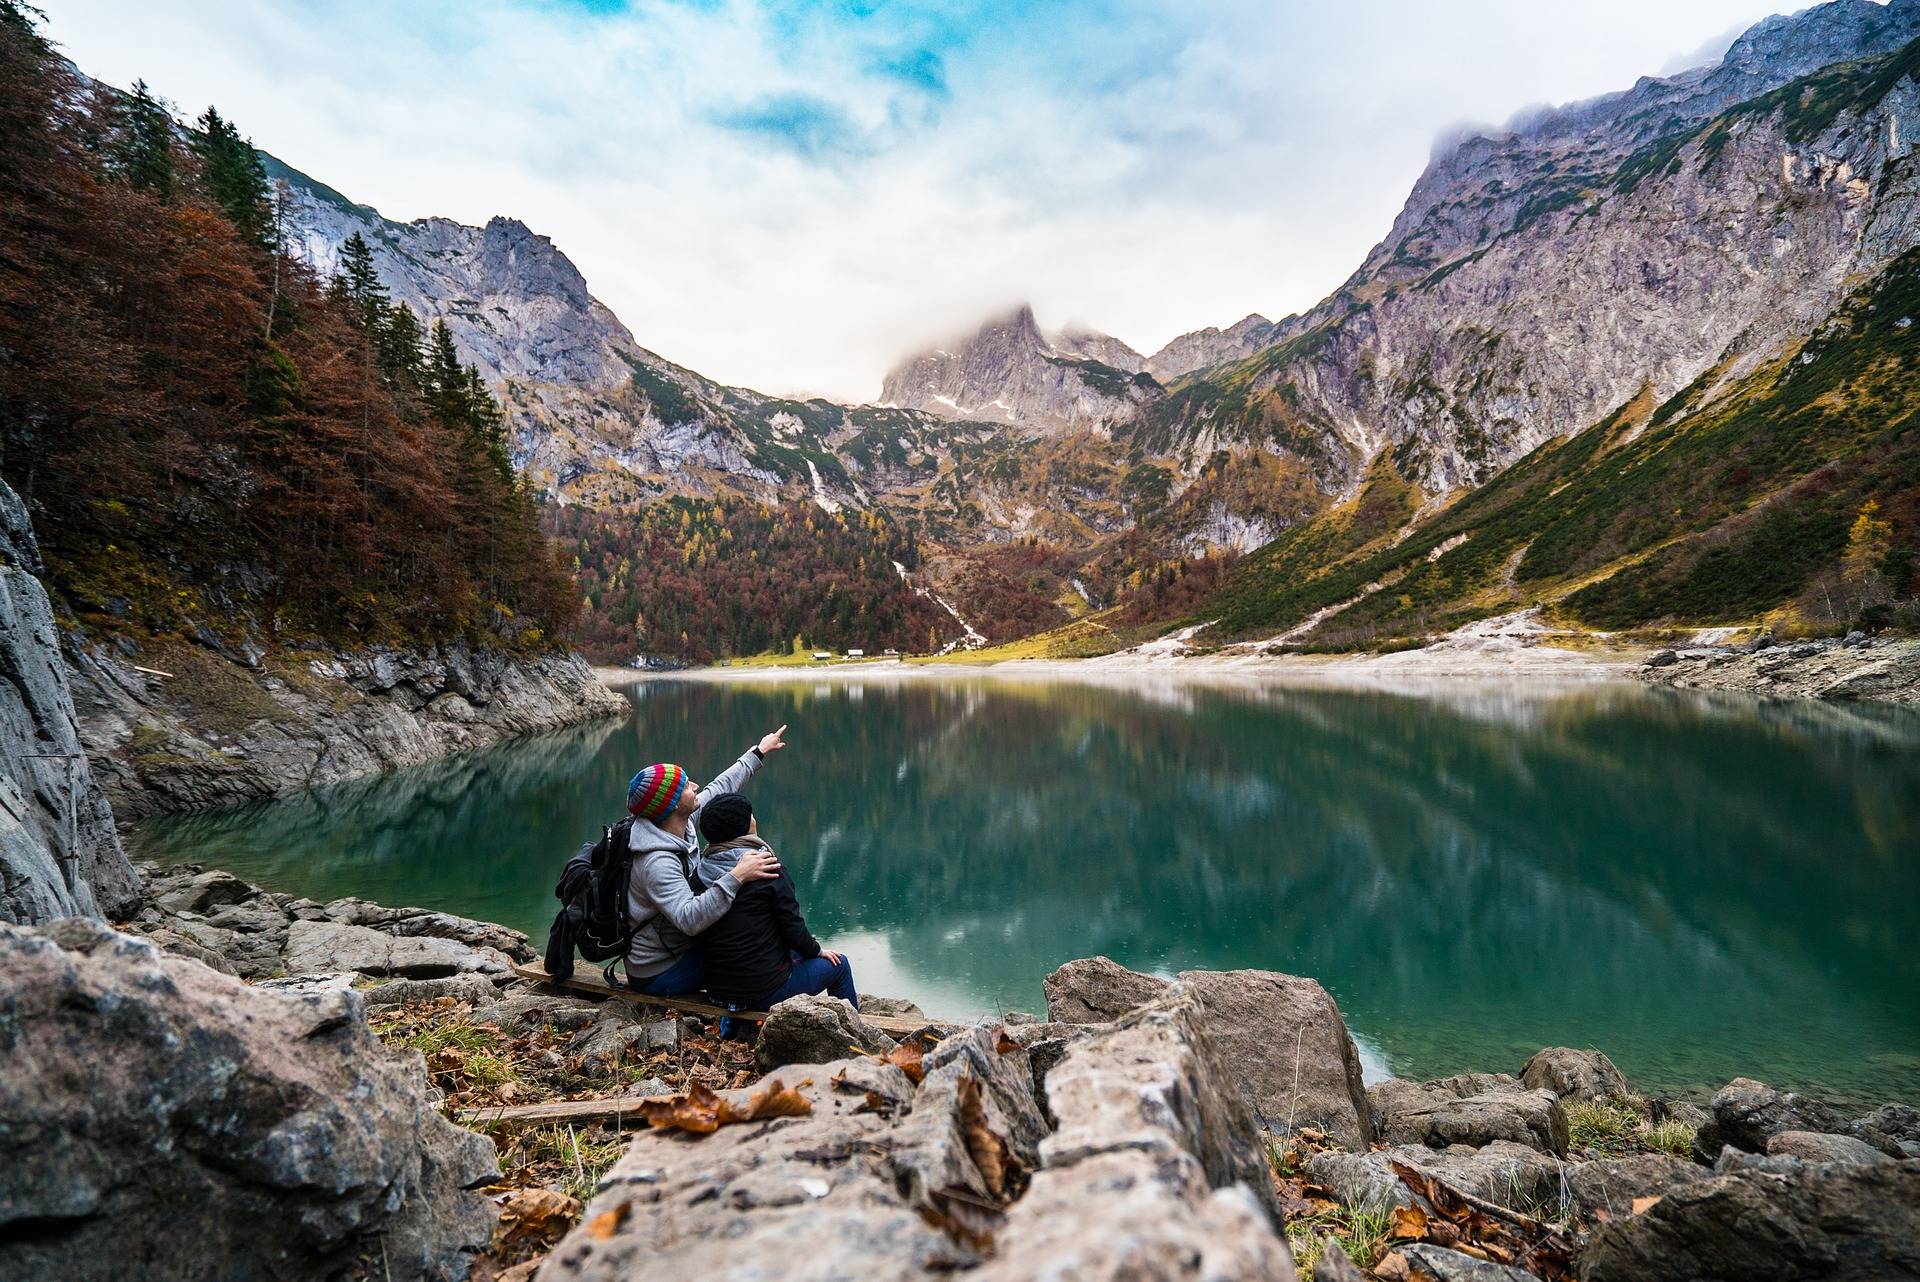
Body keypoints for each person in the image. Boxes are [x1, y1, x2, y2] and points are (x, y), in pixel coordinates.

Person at [621, 725, 788, 996]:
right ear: (673, 804)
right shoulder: (656, 862)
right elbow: (689, 918)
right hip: (660, 970)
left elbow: (720, 787)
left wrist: (759, 751)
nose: (696, 786)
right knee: (752, 957)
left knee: (753, 942)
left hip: (678, 946)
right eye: (687, 786)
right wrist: (737, 875)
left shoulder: (679, 823)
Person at [693, 792, 857, 1011]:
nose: (754, 819)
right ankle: (855, 1035)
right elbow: (792, 926)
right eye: (750, 815)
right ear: (744, 825)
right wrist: (818, 952)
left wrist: (810, 948)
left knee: (792, 949)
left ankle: (731, 1028)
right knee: (839, 965)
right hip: (762, 992)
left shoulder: (701, 870)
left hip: (718, 990)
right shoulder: (766, 868)